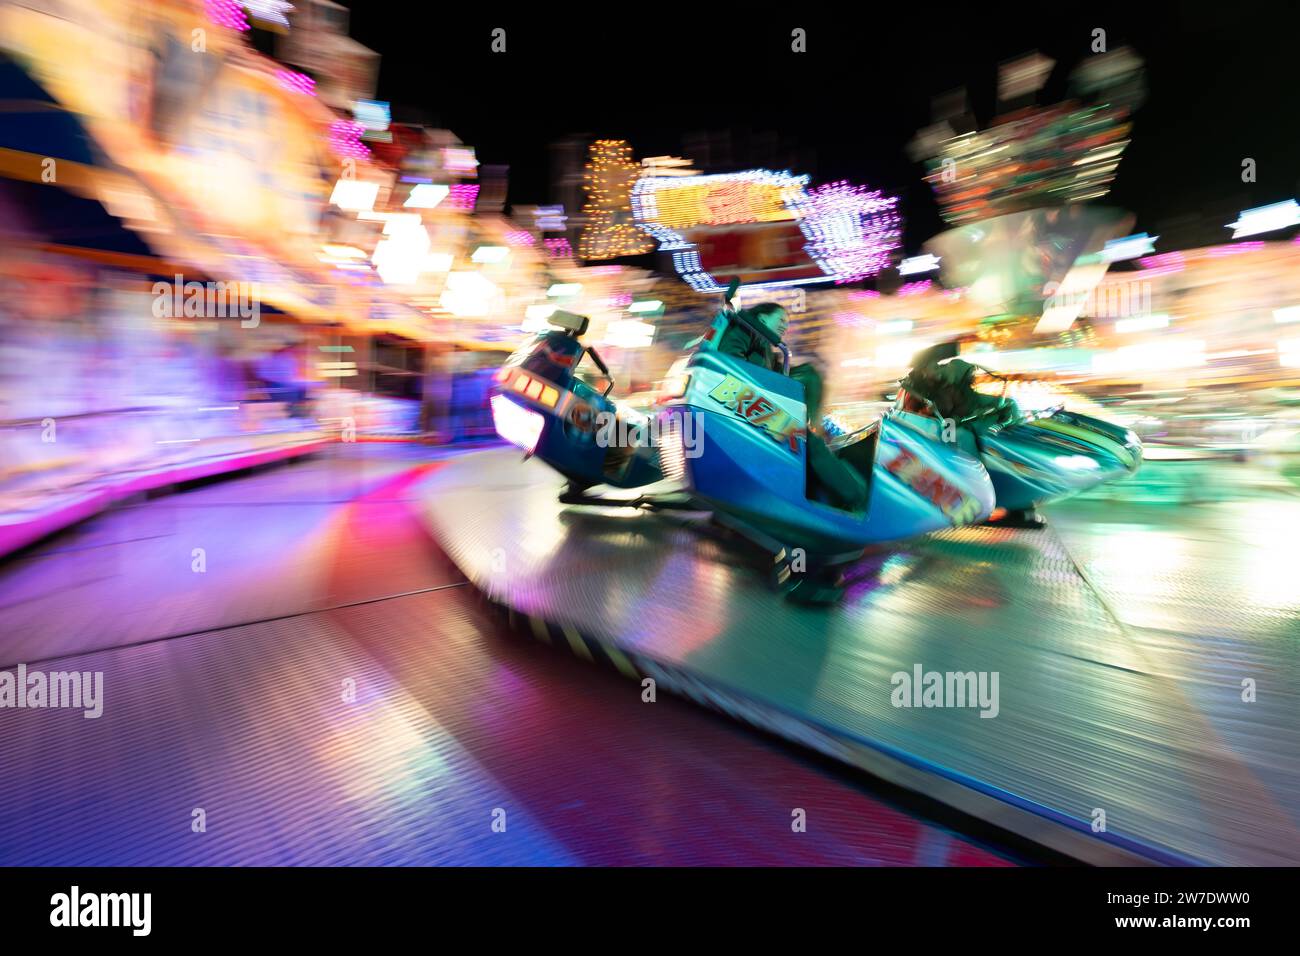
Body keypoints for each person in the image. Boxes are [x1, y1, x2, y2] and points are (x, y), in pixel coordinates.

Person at [715, 303, 869, 511]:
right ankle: (857, 498)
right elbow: (730, 360)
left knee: (810, 375)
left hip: (753, 403)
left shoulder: (765, 346)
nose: (785, 327)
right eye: (781, 321)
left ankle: (814, 442)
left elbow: (784, 376)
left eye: (787, 323)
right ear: (761, 318)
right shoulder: (746, 328)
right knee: (809, 444)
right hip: (743, 403)